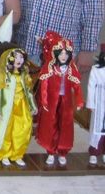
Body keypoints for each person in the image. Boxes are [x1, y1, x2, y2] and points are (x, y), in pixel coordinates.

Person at [36, 34, 83, 166]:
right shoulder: (50, 68)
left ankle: (63, 151)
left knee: (66, 124)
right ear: (56, 54)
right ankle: (50, 151)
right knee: (50, 124)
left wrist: (79, 100)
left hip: (66, 101)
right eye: (61, 53)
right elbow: (44, 86)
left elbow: (77, 86)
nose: (63, 56)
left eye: (66, 53)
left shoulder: (71, 68)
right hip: (52, 101)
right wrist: (44, 101)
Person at [0, 48, 37, 167]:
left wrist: (32, 105)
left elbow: (29, 92)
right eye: (15, 57)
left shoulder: (24, 74)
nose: (18, 60)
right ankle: (4, 154)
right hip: (7, 107)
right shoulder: (4, 75)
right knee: (6, 130)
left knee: (22, 129)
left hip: (22, 106)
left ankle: (17, 154)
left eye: (21, 57)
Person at [87, 43, 105, 165]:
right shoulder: (96, 69)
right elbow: (91, 87)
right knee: (97, 127)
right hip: (100, 100)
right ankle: (94, 152)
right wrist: (91, 103)